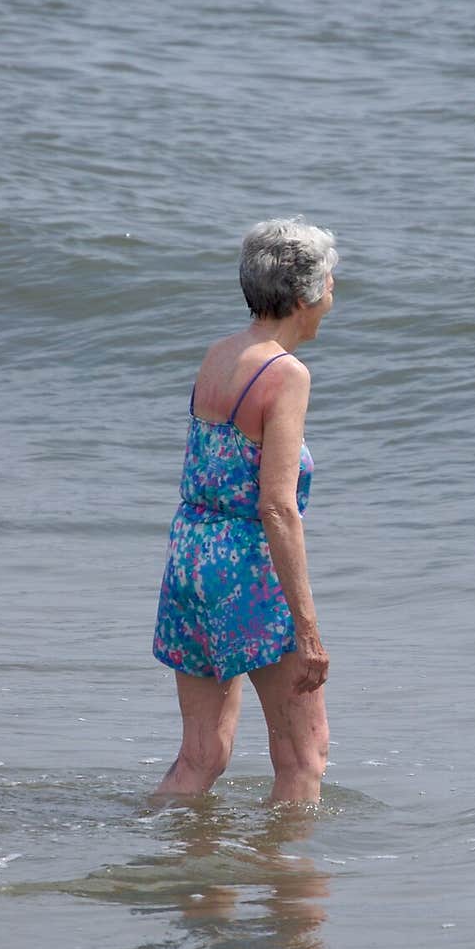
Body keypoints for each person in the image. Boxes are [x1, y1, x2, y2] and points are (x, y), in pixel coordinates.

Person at [152, 217, 337, 804]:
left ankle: (159, 862)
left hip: (191, 557)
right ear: (305, 296)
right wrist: (308, 633)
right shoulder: (285, 374)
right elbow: (277, 507)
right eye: (331, 281)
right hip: (245, 572)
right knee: (303, 760)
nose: (335, 292)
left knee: (202, 754)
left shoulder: (219, 354)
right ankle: (290, 891)